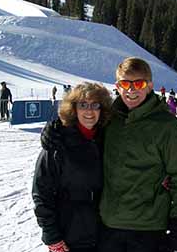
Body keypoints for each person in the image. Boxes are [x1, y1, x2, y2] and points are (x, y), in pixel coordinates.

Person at [98, 57, 177, 252]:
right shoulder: (109, 119)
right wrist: (56, 130)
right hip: (108, 226)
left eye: (139, 83)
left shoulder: (168, 128)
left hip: (148, 230)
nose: (131, 90)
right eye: (125, 83)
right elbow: (80, 127)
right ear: (117, 86)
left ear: (150, 86)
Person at [32, 82, 112, 252]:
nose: (89, 111)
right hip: (70, 236)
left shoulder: (108, 139)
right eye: (83, 105)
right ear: (73, 109)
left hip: (105, 234)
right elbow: (41, 193)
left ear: (102, 109)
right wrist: (52, 237)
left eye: (95, 105)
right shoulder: (58, 141)